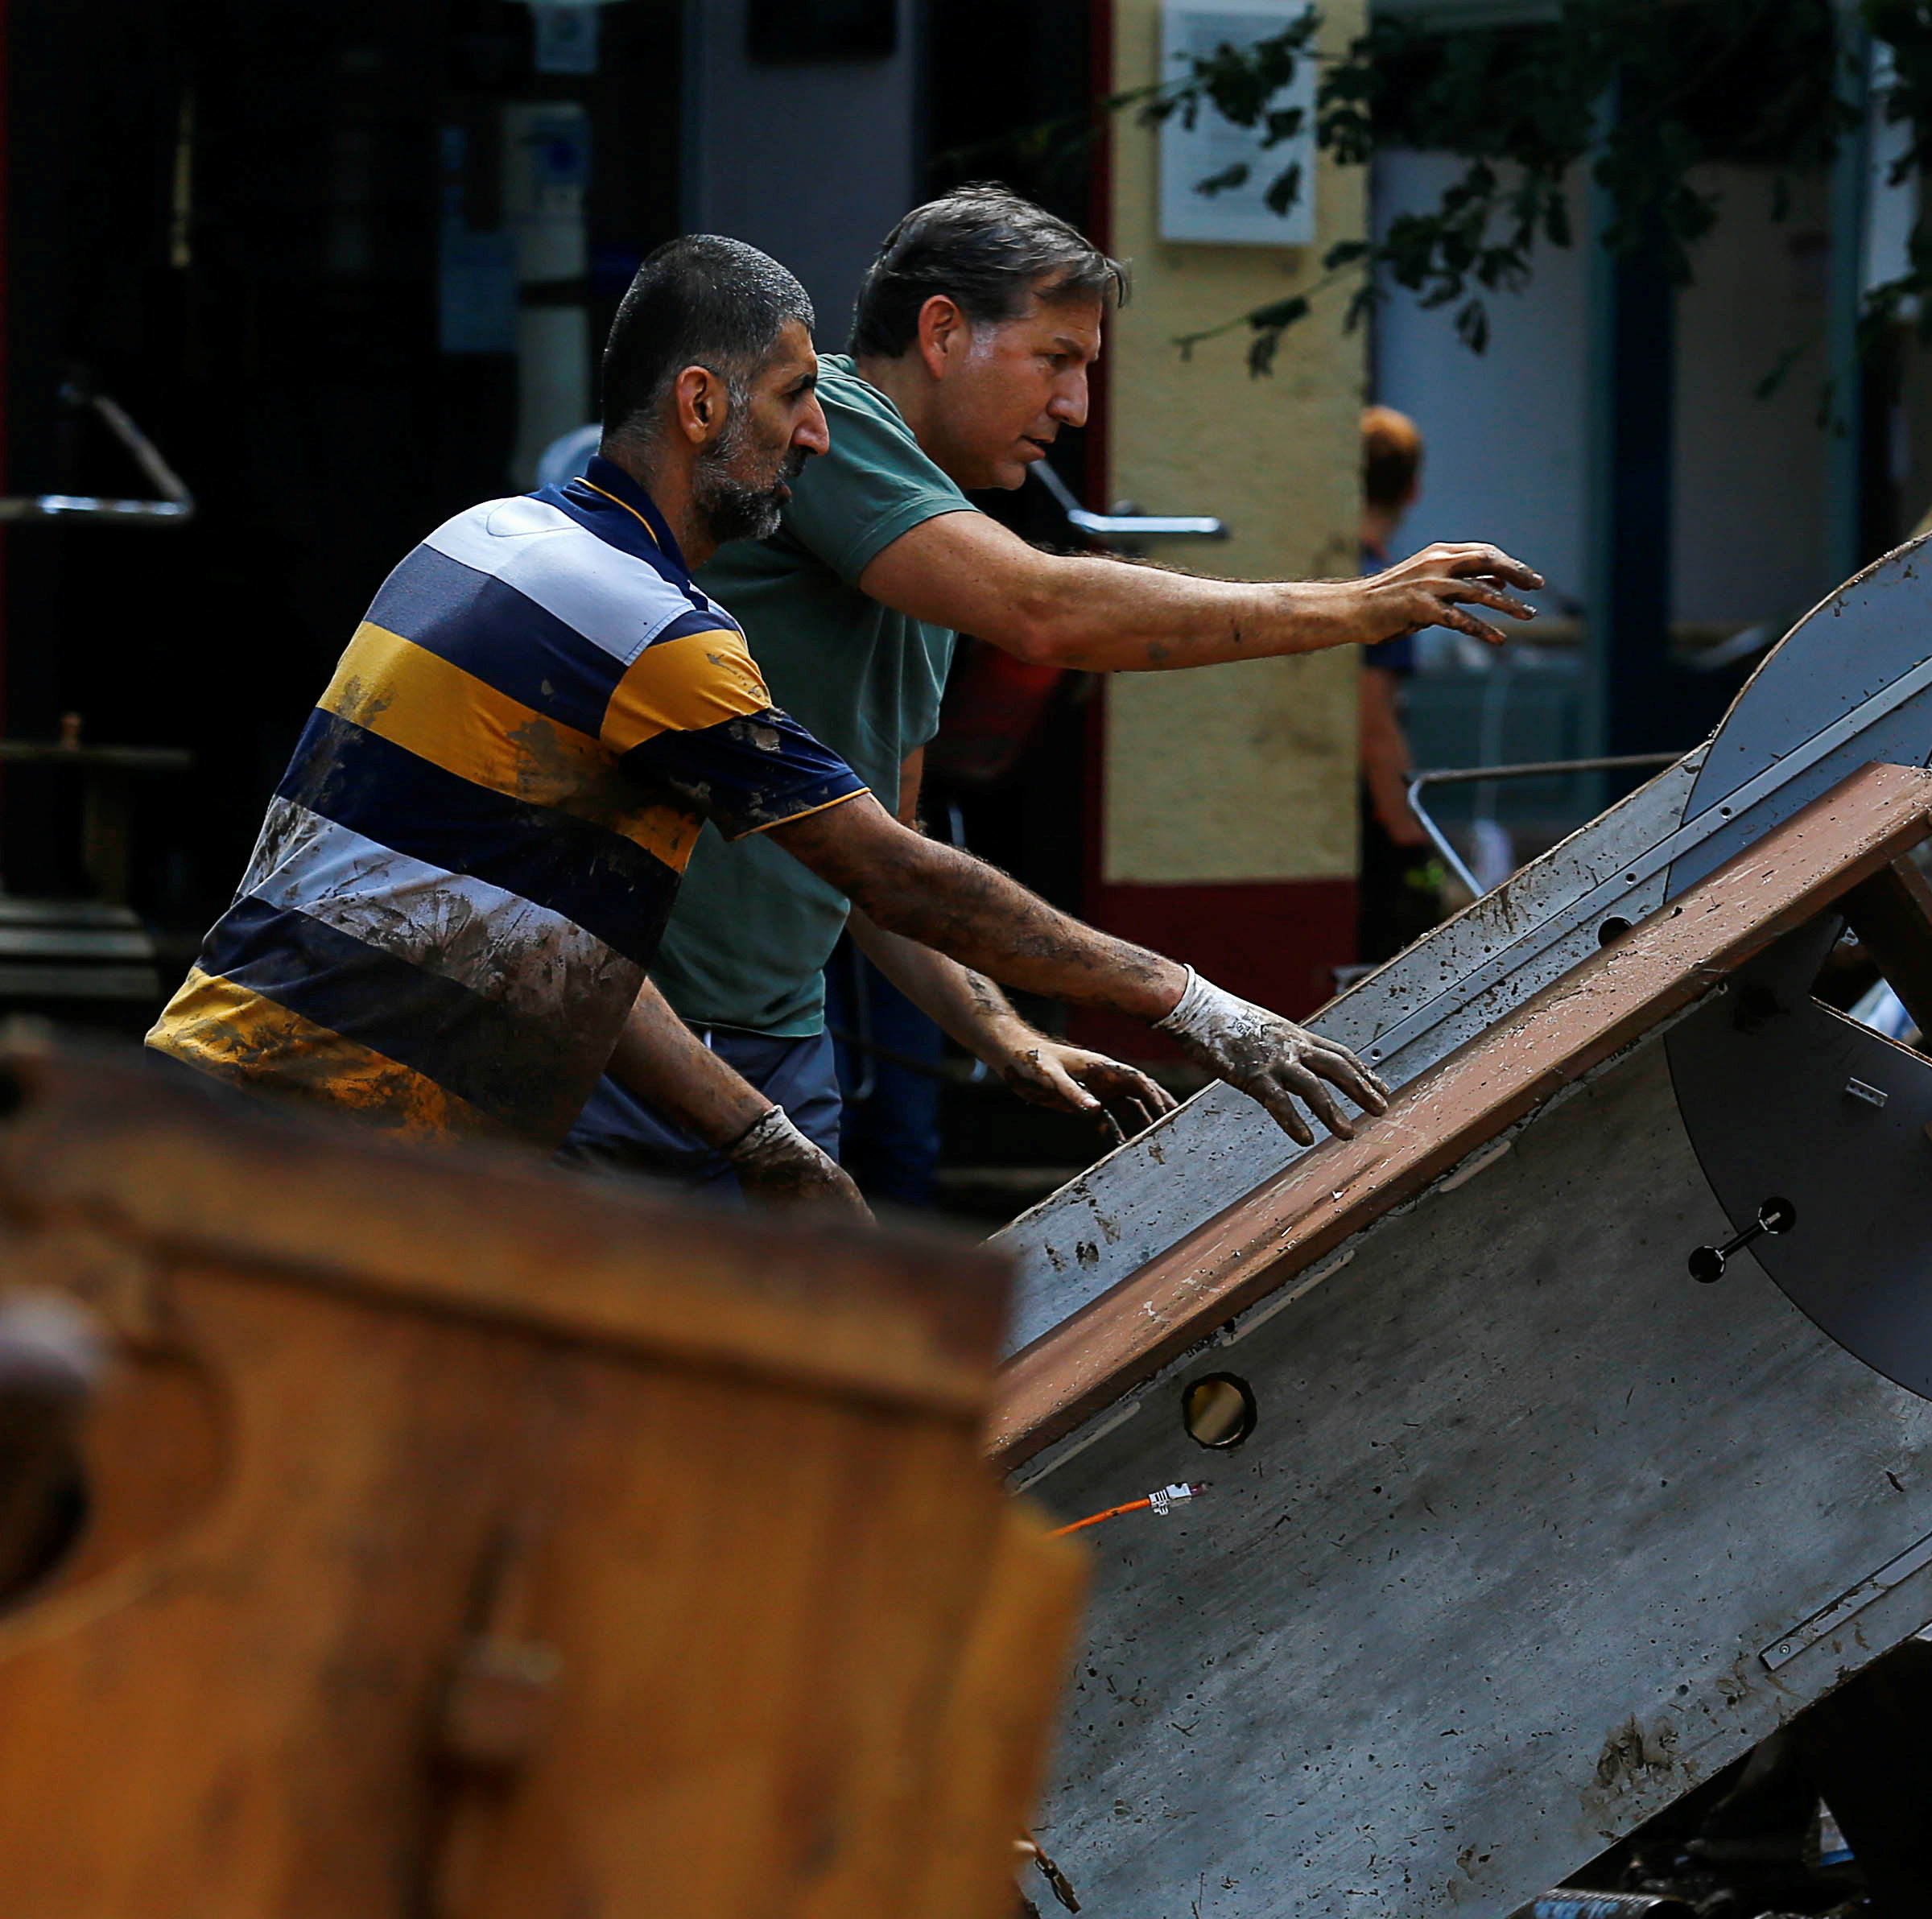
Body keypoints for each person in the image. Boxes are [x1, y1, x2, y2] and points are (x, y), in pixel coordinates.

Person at [147, 234, 1385, 1207]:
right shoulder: (653, 639)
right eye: (794, 396)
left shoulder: (477, 537)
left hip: (236, 1093)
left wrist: (765, 1140)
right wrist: (1196, 1005)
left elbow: (551, 937)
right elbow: (895, 873)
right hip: (333, 1136)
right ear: (698, 407)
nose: (816, 431)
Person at [580, 188, 1542, 1191]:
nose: (1076, 406)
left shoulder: (925, 551)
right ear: (943, 332)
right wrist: (1360, 605)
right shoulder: (832, 425)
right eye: (1056, 360)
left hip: (781, 1040)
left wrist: (1007, 1035)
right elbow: (1042, 605)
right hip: (636, 1028)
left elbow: (886, 869)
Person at [1356, 406, 1447, 961]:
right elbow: (1374, 721)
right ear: (1412, 489)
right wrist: (1410, 838)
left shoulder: (1332, 567)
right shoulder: (1389, 593)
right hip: (1364, 812)